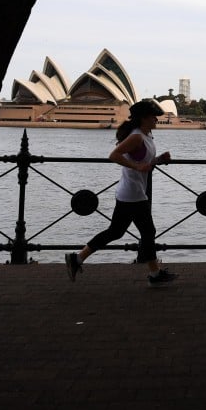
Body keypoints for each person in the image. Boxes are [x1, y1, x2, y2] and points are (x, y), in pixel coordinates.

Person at [65, 99, 179, 287]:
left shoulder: (146, 135)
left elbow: (144, 163)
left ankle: (76, 259)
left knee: (116, 232)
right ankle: (154, 274)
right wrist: (136, 166)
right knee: (147, 231)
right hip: (132, 194)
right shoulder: (136, 137)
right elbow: (114, 155)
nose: (156, 120)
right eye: (153, 117)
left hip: (132, 192)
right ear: (143, 118)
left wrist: (159, 159)